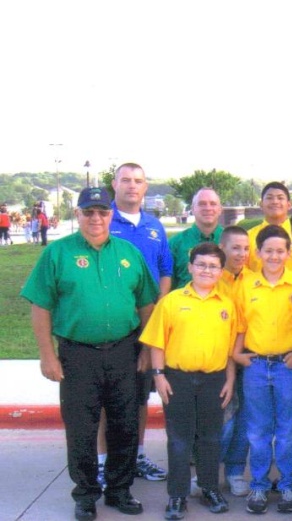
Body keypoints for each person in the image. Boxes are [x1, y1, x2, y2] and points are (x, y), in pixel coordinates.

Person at [20, 187, 159, 521]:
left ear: (111, 214)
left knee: (125, 425)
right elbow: (41, 307)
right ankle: (85, 495)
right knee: (81, 429)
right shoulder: (57, 254)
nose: (96, 218)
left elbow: (147, 304)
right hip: (78, 355)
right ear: (78, 214)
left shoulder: (128, 253)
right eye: (88, 212)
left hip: (125, 352)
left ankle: (119, 490)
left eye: (102, 212)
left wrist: (145, 349)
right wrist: (47, 356)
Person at [140, 242, 236, 519]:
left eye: (214, 266)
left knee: (210, 437)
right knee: (179, 439)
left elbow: (230, 350)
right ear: (190, 267)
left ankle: (209, 488)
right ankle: (177, 495)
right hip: (177, 378)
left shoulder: (227, 305)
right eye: (202, 264)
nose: (207, 270)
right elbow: (157, 342)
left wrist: (229, 380)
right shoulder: (171, 301)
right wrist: (158, 376)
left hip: (214, 379)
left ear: (221, 271)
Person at [103, 162, 173, 486]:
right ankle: (105, 461)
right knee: (108, 398)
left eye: (139, 181)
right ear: (115, 184)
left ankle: (138, 456)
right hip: (113, 325)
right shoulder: (103, 221)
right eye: (126, 180)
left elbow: (165, 272)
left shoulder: (155, 226)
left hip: (146, 326)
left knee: (140, 396)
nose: (132, 186)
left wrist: (157, 314)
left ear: (146, 187)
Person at [232, 225, 292, 515]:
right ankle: (259, 485)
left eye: (280, 251)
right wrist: (237, 355)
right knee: (258, 429)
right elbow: (239, 325)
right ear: (258, 253)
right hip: (257, 365)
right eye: (268, 250)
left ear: (289, 253)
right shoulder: (246, 285)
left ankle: (288, 483)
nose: (274, 256)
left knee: (288, 429)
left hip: (289, 364)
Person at [215, 225, 253, 497]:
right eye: (235, 248)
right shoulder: (211, 279)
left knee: (244, 420)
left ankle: (236, 471)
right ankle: (209, 471)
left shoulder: (255, 280)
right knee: (222, 421)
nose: (241, 253)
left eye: (246, 248)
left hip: (249, 359)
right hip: (218, 360)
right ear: (222, 249)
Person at [169, 188, 224, 289]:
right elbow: (167, 282)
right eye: (202, 204)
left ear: (220, 209)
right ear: (193, 209)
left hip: (224, 303)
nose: (208, 208)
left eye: (213, 204)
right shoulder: (175, 243)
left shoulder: (231, 241)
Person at [247, 181, 292, 272]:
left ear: (289, 205)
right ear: (261, 204)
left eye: (280, 198)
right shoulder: (248, 237)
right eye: (269, 198)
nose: (275, 202)